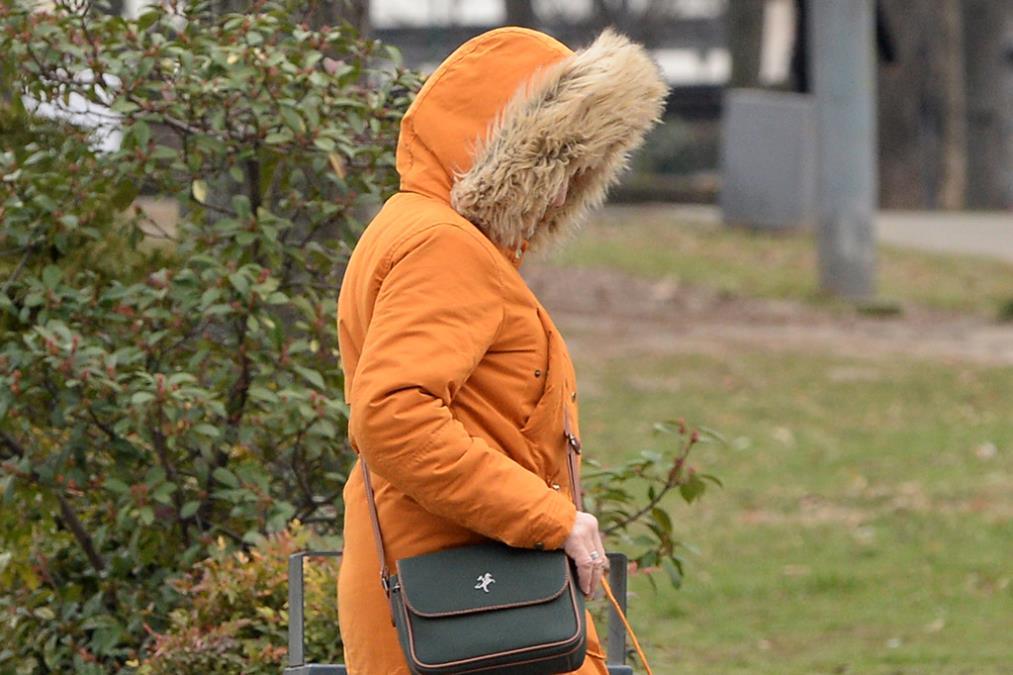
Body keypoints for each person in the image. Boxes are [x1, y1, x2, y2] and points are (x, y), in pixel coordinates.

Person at [336, 26, 666, 674]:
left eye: (579, 172)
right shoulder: (443, 246)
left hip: (462, 599)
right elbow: (392, 417)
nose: (562, 192)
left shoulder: (413, 228)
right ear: (503, 154)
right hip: (467, 607)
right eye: (554, 164)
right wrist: (551, 518)